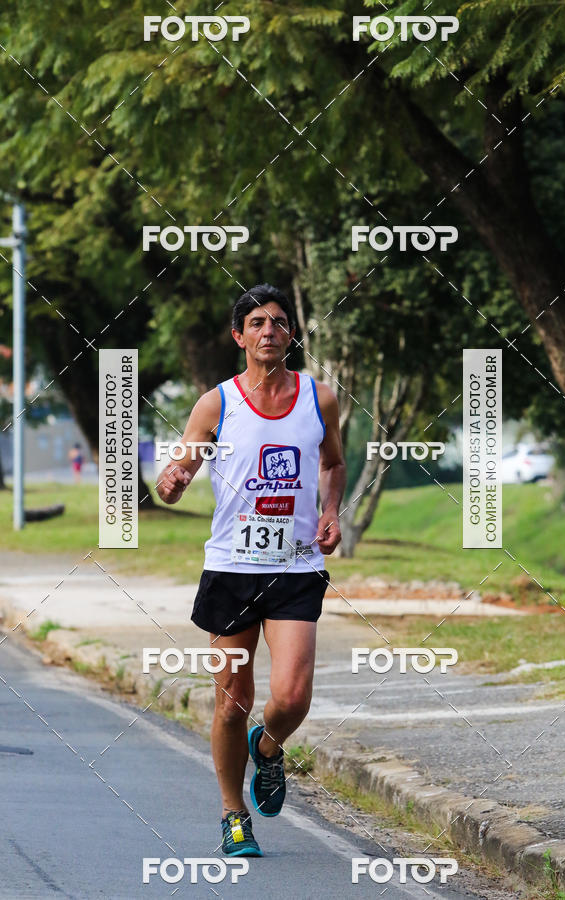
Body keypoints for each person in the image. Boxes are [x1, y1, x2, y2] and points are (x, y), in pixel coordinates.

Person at [156, 284, 346, 857]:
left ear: (291, 334)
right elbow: (180, 472)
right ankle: (233, 813)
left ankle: (269, 749)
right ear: (239, 337)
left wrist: (332, 508)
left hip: (295, 567)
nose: (269, 331)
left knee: (290, 698)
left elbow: (333, 463)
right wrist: (171, 481)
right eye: (257, 323)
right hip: (232, 569)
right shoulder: (216, 404)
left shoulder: (321, 399)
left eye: (279, 322)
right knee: (231, 702)